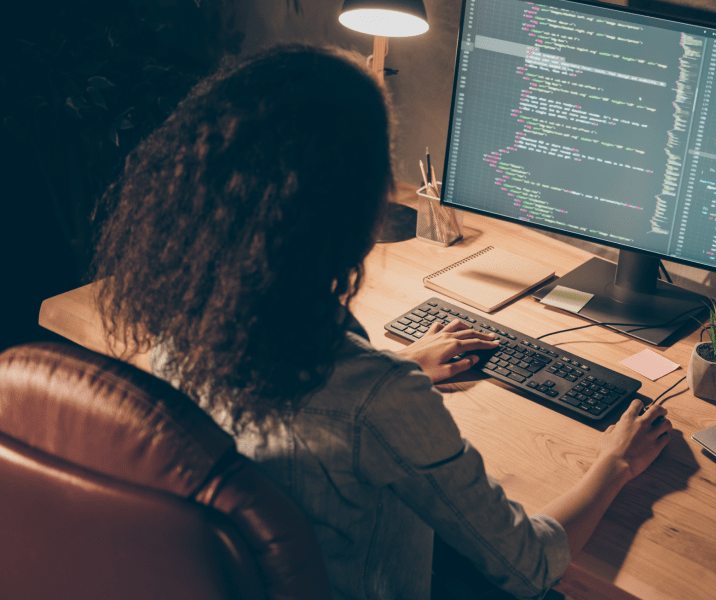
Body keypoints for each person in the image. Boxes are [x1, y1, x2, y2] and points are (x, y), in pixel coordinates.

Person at [91, 44, 671, 600]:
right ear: (363, 212)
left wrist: (395, 363)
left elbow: (309, 411)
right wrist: (614, 464)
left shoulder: (176, 336)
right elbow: (529, 566)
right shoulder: (381, 403)